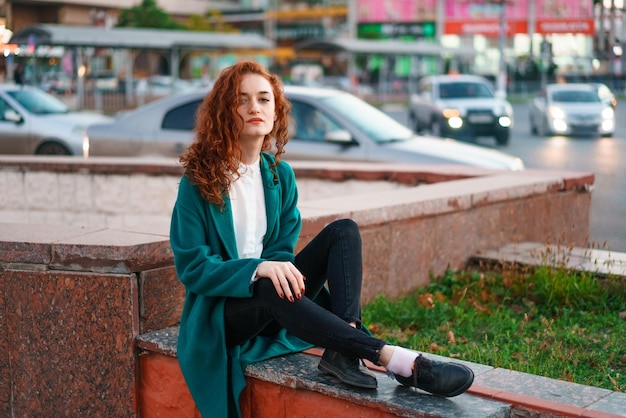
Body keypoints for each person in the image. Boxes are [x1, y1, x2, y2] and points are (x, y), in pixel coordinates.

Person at [169, 60, 474, 418]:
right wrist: (258, 269)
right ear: (224, 111)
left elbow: (282, 251)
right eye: (242, 100)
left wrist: (272, 267)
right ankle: (397, 360)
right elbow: (193, 266)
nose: (254, 108)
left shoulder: (279, 175)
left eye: (264, 99)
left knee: (343, 231)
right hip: (223, 313)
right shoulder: (198, 181)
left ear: (275, 110)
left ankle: (343, 350)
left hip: (272, 301)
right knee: (269, 285)